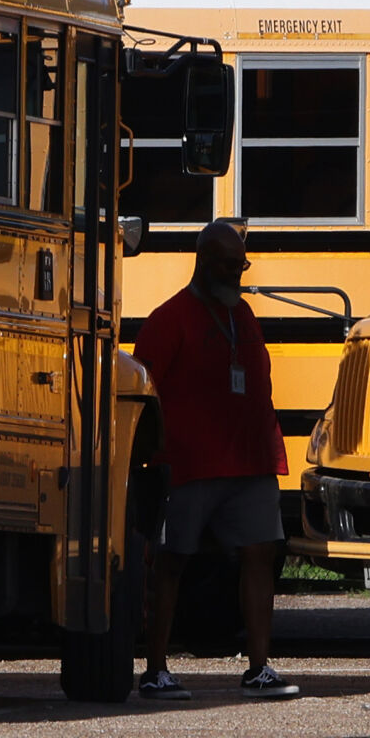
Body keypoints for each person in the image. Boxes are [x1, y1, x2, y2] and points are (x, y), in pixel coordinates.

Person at [133, 219, 299, 700]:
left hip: (248, 461)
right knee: (171, 561)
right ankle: (156, 668)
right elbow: (146, 394)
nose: (237, 276)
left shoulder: (242, 315)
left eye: (241, 266)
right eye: (229, 266)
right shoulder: (169, 320)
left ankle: (259, 667)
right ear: (204, 262)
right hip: (188, 465)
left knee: (260, 554)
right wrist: (150, 460)